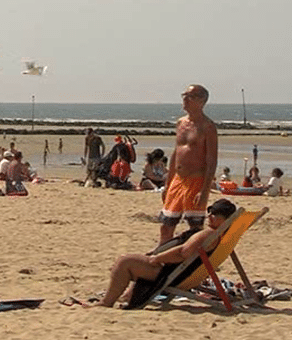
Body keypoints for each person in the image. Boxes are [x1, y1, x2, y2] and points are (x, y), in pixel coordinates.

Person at [92, 199, 236, 308]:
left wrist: (157, 258)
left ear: (227, 220)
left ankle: (106, 302)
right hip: (180, 273)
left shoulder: (209, 234)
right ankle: (125, 296)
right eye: (210, 212)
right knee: (131, 261)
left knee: (125, 262)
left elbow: (183, 253)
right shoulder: (220, 235)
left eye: (216, 214)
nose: (210, 216)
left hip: (172, 274)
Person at [158, 84, 218, 246]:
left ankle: (195, 261)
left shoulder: (208, 126)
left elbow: (211, 161)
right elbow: (175, 154)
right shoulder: (180, 123)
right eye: (183, 95)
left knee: (195, 227)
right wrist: (167, 184)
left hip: (196, 181)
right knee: (166, 225)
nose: (184, 99)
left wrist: (204, 190)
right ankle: (162, 258)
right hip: (178, 180)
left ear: (201, 101)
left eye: (189, 96)